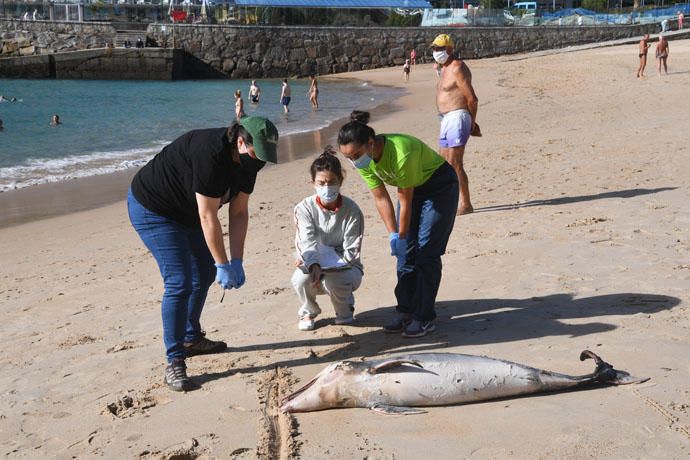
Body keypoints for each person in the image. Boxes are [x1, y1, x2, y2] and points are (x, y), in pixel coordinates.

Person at [127, 116, 279, 391]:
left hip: (188, 211)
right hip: (154, 209)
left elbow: (239, 211)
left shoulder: (251, 160)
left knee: (205, 271)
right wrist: (223, 263)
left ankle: (191, 337)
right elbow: (209, 217)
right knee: (179, 281)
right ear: (241, 141)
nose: (260, 161)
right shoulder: (209, 152)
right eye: (258, 153)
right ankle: (175, 360)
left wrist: (237, 260)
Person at [337, 111, 459, 338]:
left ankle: (424, 317)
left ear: (370, 143)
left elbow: (405, 198)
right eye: (348, 157)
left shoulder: (401, 152)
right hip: (412, 190)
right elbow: (381, 197)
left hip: (439, 187)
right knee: (405, 256)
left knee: (426, 252)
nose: (353, 161)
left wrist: (402, 235)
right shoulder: (363, 162)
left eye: (355, 154)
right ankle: (405, 311)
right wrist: (394, 235)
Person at [292, 148, 364, 331]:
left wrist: (328, 268)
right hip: (314, 260)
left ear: (341, 180)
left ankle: (344, 311)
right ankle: (308, 310)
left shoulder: (352, 210)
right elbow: (305, 240)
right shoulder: (304, 208)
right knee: (300, 279)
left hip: (346, 265)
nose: (327, 187)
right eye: (321, 182)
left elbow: (352, 250)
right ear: (313, 183)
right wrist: (313, 264)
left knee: (335, 281)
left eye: (331, 182)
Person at [431, 34, 480, 216]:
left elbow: (472, 99)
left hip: (458, 116)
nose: (436, 52)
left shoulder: (458, 67)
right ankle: (449, 200)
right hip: (446, 119)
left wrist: (471, 123)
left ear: (450, 49)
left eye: (440, 49)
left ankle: (466, 203)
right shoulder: (445, 69)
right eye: (434, 49)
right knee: (443, 163)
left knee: (455, 163)